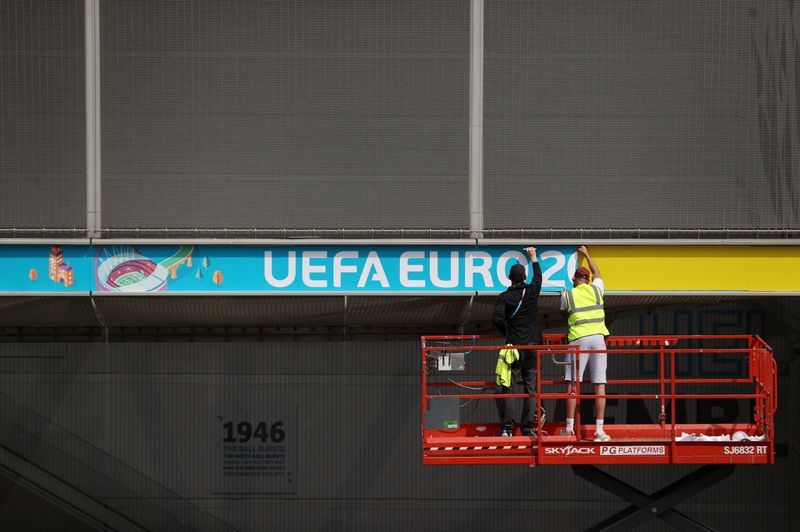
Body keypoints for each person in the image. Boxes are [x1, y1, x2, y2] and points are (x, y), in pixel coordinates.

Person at [561, 245, 611, 442]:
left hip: (578, 341)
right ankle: (599, 431)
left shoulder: (568, 294)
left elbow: (563, 311)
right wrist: (587, 254)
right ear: (588, 279)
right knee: (599, 386)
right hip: (598, 339)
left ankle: (569, 428)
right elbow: (597, 272)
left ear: (575, 280)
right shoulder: (598, 289)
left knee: (573, 385)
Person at [492, 246, 543, 437]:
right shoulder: (531, 292)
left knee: (507, 386)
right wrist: (533, 257)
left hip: (513, 347)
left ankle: (507, 427)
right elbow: (538, 277)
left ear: (509, 278)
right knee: (531, 387)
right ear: (524, 277)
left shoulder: (505, 297)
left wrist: (507, 331)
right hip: (532, 347)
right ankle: (527, 426)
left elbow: (496, 318)